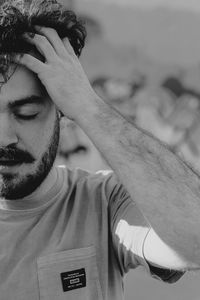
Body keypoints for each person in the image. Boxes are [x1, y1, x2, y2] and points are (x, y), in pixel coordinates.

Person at [0, 0, 200, 299]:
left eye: (26, 113)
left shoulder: (105, 202)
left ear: (61, 112)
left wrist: (89, 106)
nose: (4, 137)